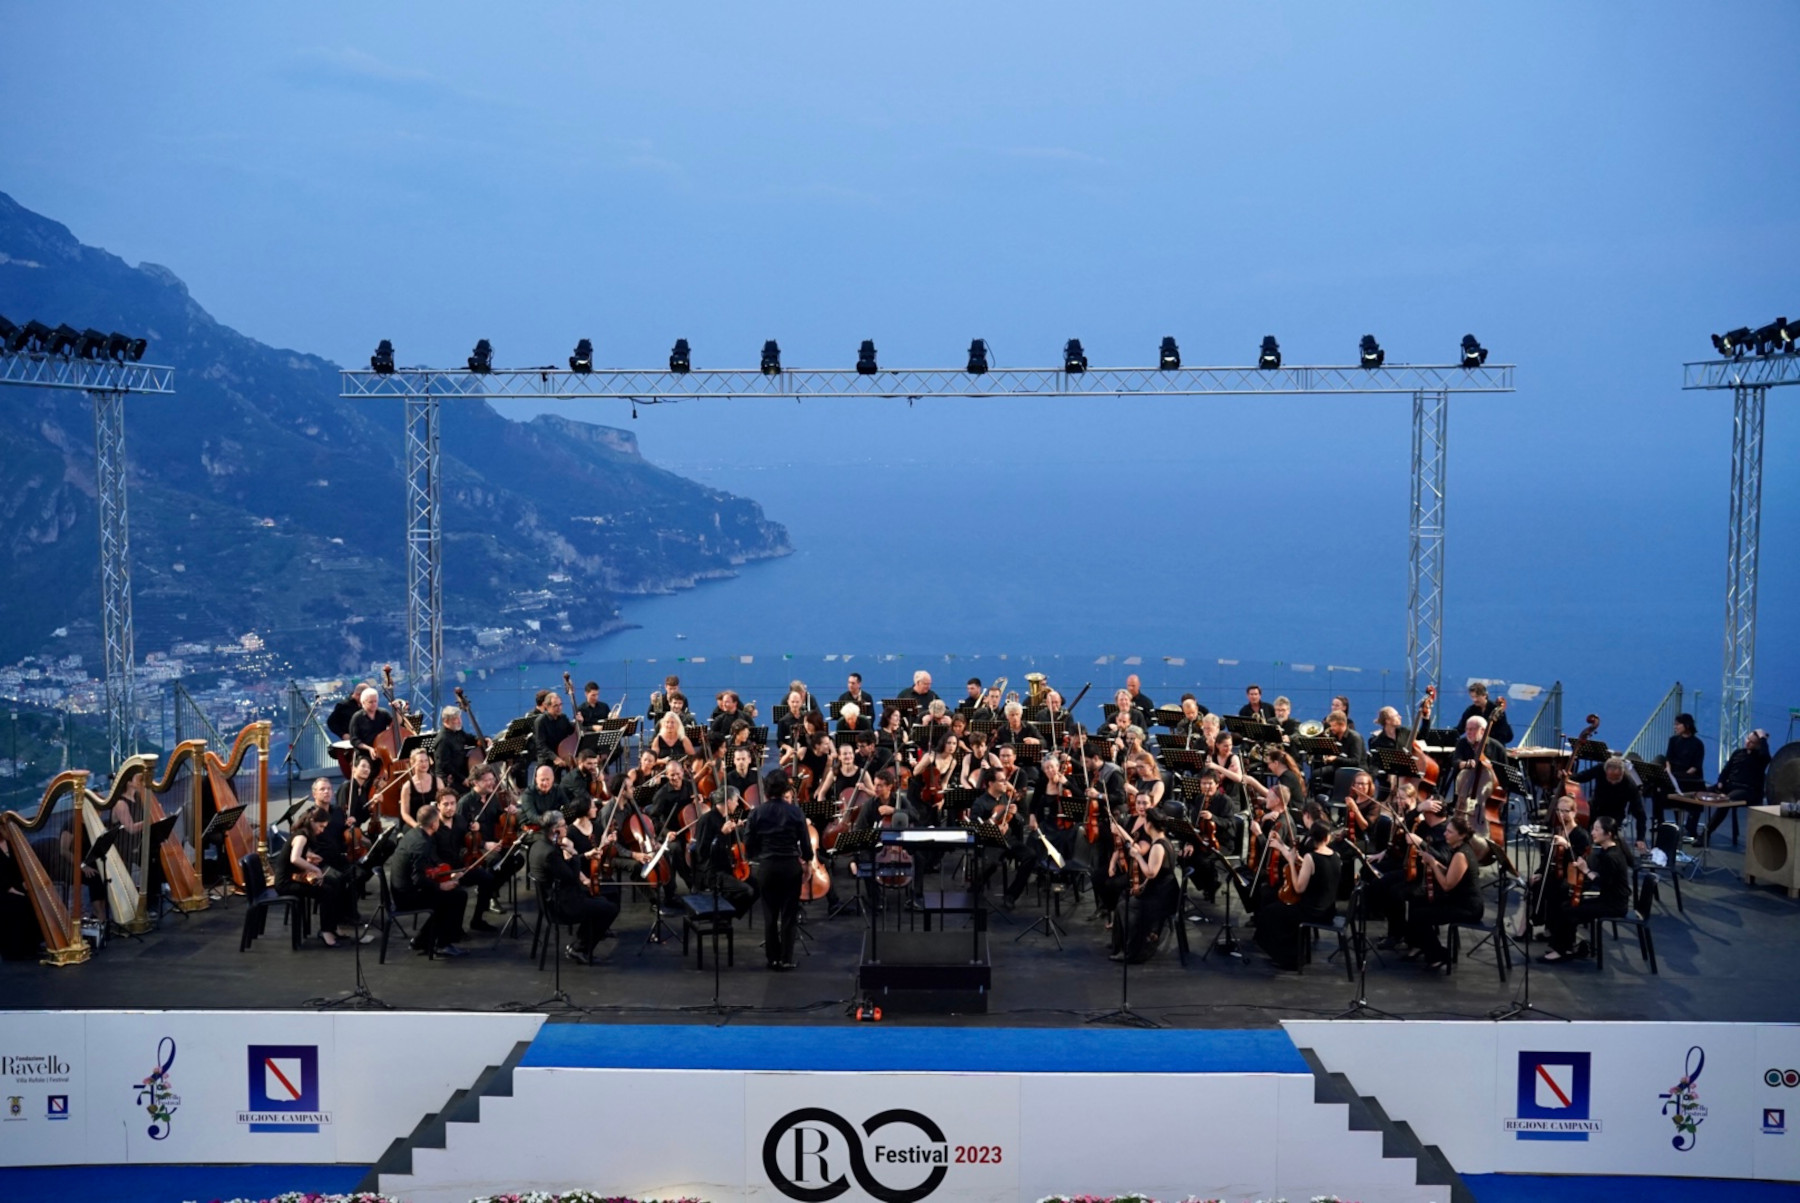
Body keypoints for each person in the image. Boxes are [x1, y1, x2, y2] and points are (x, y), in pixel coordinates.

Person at [529, 809, 619, 963]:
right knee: (609, 908)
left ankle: (580, 943)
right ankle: (579, 949)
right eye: (564, 825)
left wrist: (583, 856)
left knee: (602, 899)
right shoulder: (550, 853)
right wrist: (574, 853)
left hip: (553, 898)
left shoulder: (539, 844)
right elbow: (571, 877)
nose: (567, 828)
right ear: (555, 830)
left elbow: (564, 868)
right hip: (562, 905)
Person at [745, 770, 813, 970]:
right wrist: (808, 863)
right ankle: (786, 958)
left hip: (767, 866)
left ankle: (772, 958)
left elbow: (749, 843)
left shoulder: (756, 812)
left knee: (770, 914)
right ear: (785, 789)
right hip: (791, 866)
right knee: (789, 914)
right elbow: (806, 843)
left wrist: (759, 855)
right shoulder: (795, 812)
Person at [1252, 820, 1341, 971]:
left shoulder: (1311, 858)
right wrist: (1293, 856)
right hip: (1328, 910)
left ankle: (1287, 958)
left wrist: (1292, 864)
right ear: (1327, 838)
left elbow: (1299, 888)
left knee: (1271, 912)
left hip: (1312, 911)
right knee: (1279, 908)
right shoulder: (1336, 856)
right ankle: (1294, 954)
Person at [1543, 816, 1632, 963]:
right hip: (1609, 899)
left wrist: (1586, 870)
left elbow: (1602, 883)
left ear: (1608, 834)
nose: (1592, 832)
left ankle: (1562, 950)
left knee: (1568, 910)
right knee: (1567, 905)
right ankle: (1565, 947)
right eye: (1593, 828)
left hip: (1614, 905)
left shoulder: (1611, 856)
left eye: (1597, 829)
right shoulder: (1608, 850)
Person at [1402, 814, 1483, 970]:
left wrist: (1432, 862)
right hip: (1459, 900)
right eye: (1446, 830)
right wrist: (1435, 863)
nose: (1445, 834)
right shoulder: (1458, 849)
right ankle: (1422, 946)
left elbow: (1447, 885)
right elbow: (1450, 871)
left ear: (1462, 836)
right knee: (1417, 900)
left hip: (1467, 907)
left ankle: (1438, 956)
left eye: (1450, 832)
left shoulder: (1461, 855)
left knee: (1421, 915)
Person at [387, 805, 468, 957]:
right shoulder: (422, 844)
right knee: (457, 897)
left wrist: (445, 874)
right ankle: (443, 944)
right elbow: (418, 879)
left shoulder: (414, 834)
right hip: (407, 896)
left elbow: (422, 869)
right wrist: (441, 886)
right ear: (433, 824)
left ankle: (422, 941)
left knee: (452, 895)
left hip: (402, 889)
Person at [1110, 807, 1180, 964]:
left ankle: (1131, 950)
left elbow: (1151, 873)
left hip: (1162, 896)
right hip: (1163, 889)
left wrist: (1137, 856)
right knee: (1125, 897)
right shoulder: (1164, 840)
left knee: (1124, 906)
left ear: (1149, 825)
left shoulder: (1157, 846)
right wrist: (1141, 885)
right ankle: (1123, 944)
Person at [692, 787, 758, 919]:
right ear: (728, 802)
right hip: (711, 871)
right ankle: (723, 916)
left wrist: (737, 830)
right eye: (735, 801)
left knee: (758, 887)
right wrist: (722, 834)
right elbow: (702, 852)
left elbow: (732, 846)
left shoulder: (726, 819)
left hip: (728, 867)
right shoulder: (707, 820)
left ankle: (726, 913)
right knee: (747, 891)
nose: (738, 804)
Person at [1710, 729, 1772, 846]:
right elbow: (1726, 770)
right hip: (1730, 785)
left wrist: (1763, 738)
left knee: (1726, 801)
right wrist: (1720, 782)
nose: (1748, 742)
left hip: (1747, 790)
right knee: (1701, 792)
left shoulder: (1761, 758)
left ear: (1758, 745)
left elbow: (1766, 755)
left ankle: (1705, 833)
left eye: (1752, 742)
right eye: (1747, 739)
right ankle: (1690, 828)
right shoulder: (1738, 753)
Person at [1572, 756, 1647, 846]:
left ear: (1622, 774)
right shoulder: (1600, 768)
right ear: (1605, 772)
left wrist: (1640, 838)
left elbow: (1640, 813)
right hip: (1596, 806)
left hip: (1615, 813)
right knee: (1581, 819)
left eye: (1616, 780)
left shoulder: (1630, 785)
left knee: (1604, 832)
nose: (1612, 782)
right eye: (1610, 779)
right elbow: (1583, 776)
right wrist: (1569, 776)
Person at [1664, 713, 1707, 837]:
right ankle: (1674, 824)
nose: (1675, 727)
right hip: (1675, 774)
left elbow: (1696, 766)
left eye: (1678, 724)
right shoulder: (1673, 740)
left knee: (1692, 791)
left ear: (1687, 725)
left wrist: (1683, 776)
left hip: (1691, 777)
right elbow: (1668, 759)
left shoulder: (1698, 744)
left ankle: (1691, 826)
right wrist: (1669, 771)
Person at [433, 705, 477, 798]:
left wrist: (484, 739)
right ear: (446, 721)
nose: (460, 721)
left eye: (459, 718)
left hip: (461, 773)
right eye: (455, 719)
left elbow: (470, 739)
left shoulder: (458, 731)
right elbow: (445, 765)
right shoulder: (443, 739)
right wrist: (462, 779)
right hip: (450, 779)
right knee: (472, 794)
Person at [396, 748, 444, 828]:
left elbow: (443, 805)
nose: (424, 764)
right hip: (414, 824)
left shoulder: (438, 782)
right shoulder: (407, 787)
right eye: (421, 761)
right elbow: (404, 813)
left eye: (426, 760)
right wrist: (417, 826)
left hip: (435, 823)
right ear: (413, 763)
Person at [347, 688, 393, 757]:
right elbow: (354, 740)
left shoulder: (384, 713)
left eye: (375, 701)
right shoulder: (357, 717)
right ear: (363, 703)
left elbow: (395, 725)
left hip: (383, 751)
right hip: (365, 754)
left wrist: (397, 710)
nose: (374, 704)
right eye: (370, 702)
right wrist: (369, 749)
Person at [518, 763, 567, 828]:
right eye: (542, 780)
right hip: (532, 826)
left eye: (548, 779)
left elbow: (567, 807)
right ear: (536, 780)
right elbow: (533, 817)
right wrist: (552, 819)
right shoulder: (528, 794)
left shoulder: (558, 789)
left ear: (553, 779)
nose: (545, 783)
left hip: (553, 823)